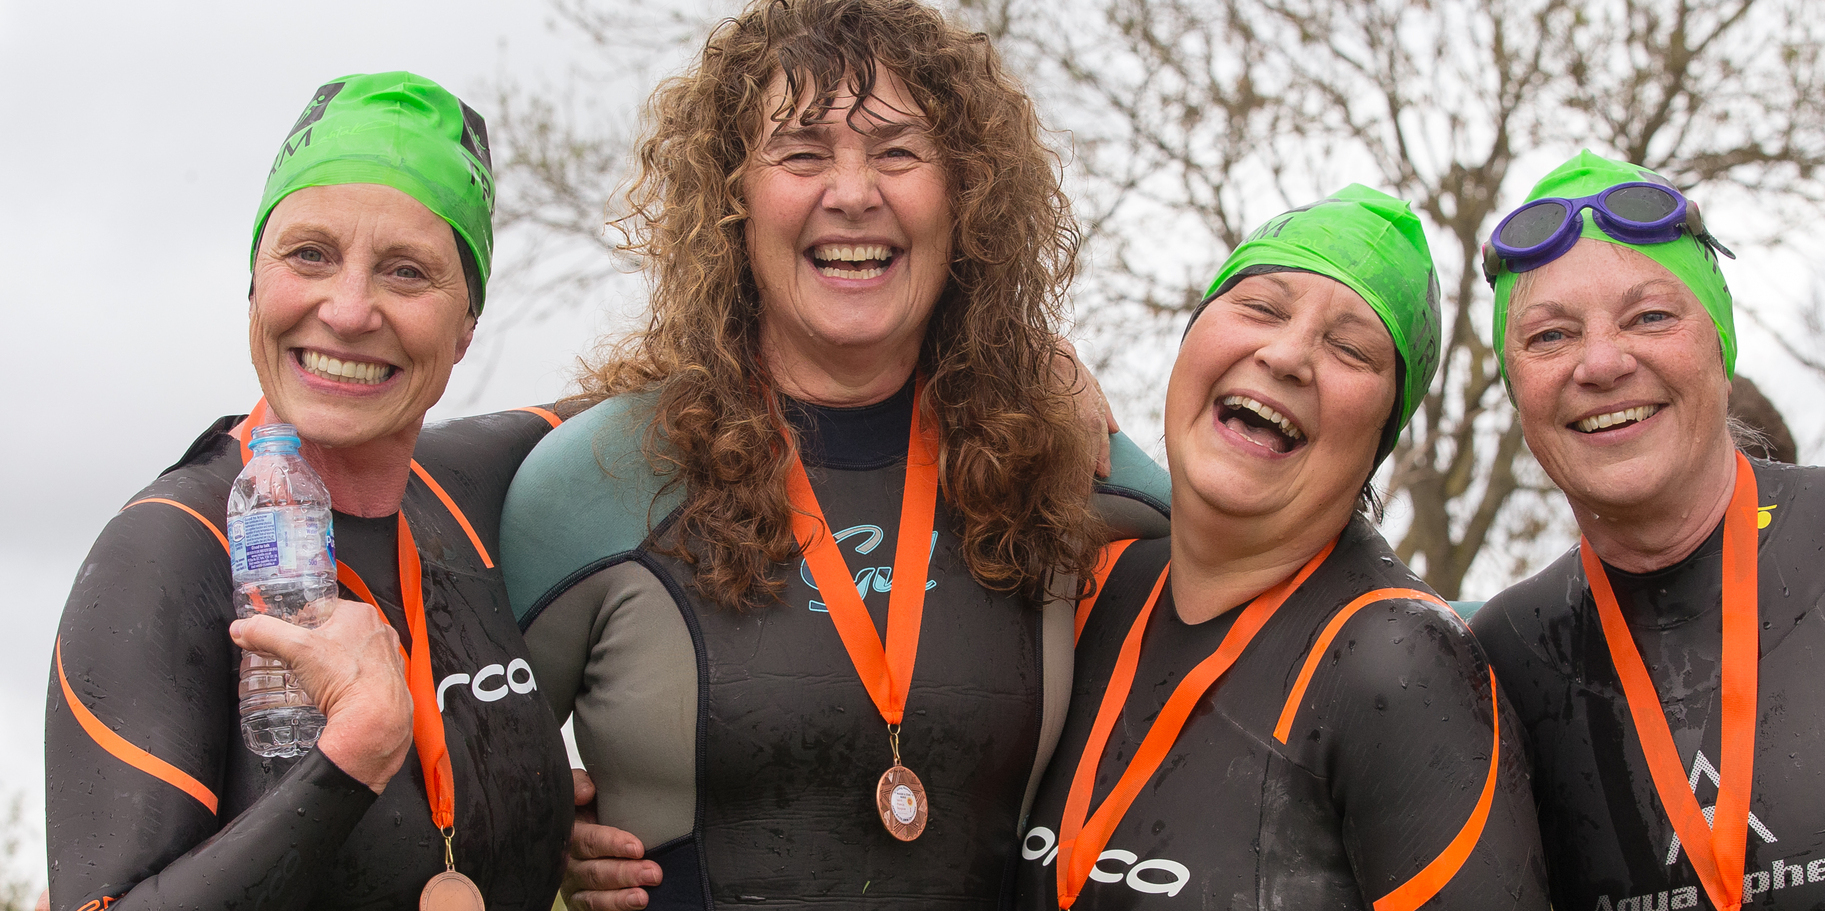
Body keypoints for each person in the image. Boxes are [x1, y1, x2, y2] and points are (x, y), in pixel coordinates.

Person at [498, 1, 1170, 909]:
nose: (853, 192)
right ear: (730, 199)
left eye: (897, 151)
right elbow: (452, 806)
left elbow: (1258, 552)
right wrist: (540, 833)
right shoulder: (594, 486)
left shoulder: (1053, 469)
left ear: (966, 193)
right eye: (802, 153)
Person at [44, 72, 572, 911]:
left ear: (467, 326)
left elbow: (684, 390)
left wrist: (556, 808)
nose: (350, 309)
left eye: (406, 272)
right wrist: (351, 757)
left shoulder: (473, 489)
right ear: (254, 281)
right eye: (309, 255)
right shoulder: (168, 552)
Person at [1470, 150, 1825, 910]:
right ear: (1517, 387)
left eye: (1650, 315)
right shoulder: (1501, 658)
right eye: (1550, 335)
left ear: (1720, 345)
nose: (1601, 361)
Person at [1011, 186, 1549, 909]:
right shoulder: (1085, 584)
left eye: (1351, 348)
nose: (1289, 353)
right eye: (1261, 307)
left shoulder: (1406, 667)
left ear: (1380, 439)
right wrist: (1021, 355)